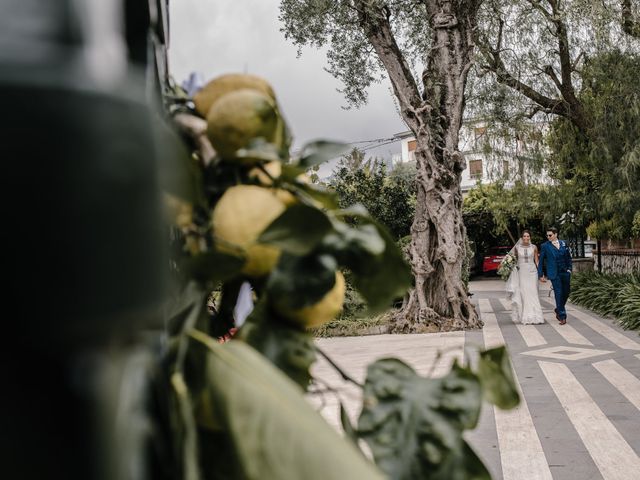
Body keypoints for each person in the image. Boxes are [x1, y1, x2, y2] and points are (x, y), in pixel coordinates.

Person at [506, 230, 544, 324]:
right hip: (522, 272)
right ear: (522, 237)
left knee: (533, 292)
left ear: (530, 237)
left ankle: (536, 317)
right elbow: (514, 260)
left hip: (532, 272)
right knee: (524, 293)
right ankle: (526, 316)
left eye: (528, 236)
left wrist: (541, 273)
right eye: (524, 236)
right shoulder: (517, 248)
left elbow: (537, 261)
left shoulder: (534, 247)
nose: (526, 238)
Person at [538, 227, 573, 325]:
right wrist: (541, 274)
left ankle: (558, 309)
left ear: (556, 234)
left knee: (566, 292)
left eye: (550, 235)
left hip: (565, 272)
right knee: (558, 293)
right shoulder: (545, 246)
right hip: (554, 273)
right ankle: (562, 316)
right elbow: (541, 261)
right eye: (547, 235)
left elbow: (569, 258)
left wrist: (569, 269)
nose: (548, 237)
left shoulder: (564, 243)